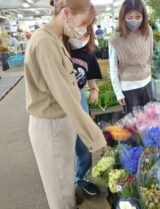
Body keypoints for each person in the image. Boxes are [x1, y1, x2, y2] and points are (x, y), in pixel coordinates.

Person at [24, 0, 107, 209]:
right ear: (67, 13)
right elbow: (65, 96)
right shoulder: (45, 43)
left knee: (64, 184)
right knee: (60, 192)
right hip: (51, 124)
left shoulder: (55, 39)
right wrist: (96, 137)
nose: (82, 30)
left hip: (60, 121)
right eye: (82, 22)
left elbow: (70, 88)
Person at [63, 24, 102, 196]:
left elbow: (91, 75)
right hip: (60, 98)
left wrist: (94, 89)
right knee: (62, 143)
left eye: (85, 34)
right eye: (77, 32)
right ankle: (63, 185)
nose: (81, 37)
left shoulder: (88, 54)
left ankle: (81, 177)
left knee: (83, 141)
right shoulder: (59, 49)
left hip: (80, 97)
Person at [109, 0, 153, 114]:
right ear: (123, 17)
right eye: (130, 18)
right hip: (129, 88)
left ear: (143, 17)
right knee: (133, 125)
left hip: (147, 83)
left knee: (150, 121)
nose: (134, 21)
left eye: (138, 17)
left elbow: (149, 57)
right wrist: (118, 93)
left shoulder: (148, 31)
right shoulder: (116, 38)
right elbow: (113, 68)